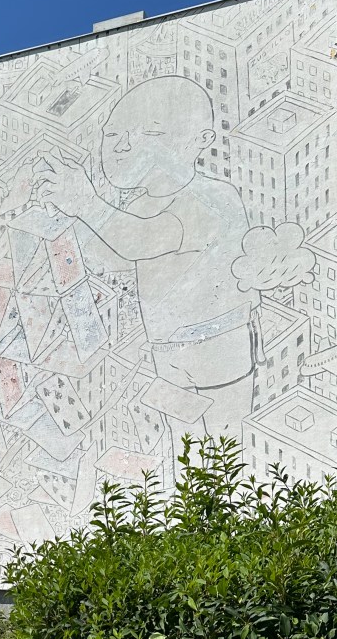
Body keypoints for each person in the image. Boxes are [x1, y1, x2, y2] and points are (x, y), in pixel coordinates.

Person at [32, 75, 262, 463]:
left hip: (217, 352)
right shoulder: (140, 204)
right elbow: (110, 255)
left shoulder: (209, 198)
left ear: (201, 140)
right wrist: (63, 217)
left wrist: (86, 203)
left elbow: (141, 240)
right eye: (112, 135)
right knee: (187, 453)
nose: (123, 146)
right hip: (166, 353)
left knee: (226, 452)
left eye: (149, 133)